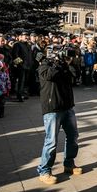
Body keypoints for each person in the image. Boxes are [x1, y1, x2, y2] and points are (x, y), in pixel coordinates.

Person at [36, 50, 82, 185]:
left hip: (67, 106)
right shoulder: (44, 65)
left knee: (73, 136)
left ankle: (69, 163)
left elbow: (75, 75)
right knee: (51, 141)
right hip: (52, 108)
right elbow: (49, 76)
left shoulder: (63, 66)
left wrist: (68, 63)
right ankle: (44, 170)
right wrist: (56, 63)